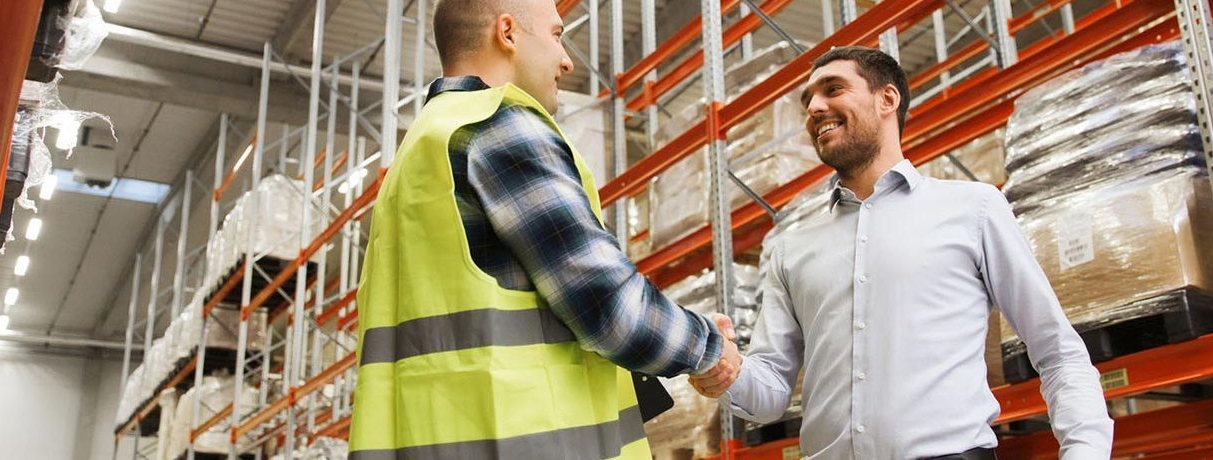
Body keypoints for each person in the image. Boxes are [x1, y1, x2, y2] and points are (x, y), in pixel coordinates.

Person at [347, 0, 740, 457]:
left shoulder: (419, 151)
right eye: (556, 35)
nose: (567, 59)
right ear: (508, 33)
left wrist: (677, 334)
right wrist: (709, 349)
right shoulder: (496, 125)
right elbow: (607, 305)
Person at [691, 46, 1113, 459]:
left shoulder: (973, 209)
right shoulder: (791, 249)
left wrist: (1086, 450)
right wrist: (722, 367)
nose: (814, 108)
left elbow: (1056, 352)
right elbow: (770, 398)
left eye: (832, 89)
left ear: (887, 98)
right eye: (808, 101)